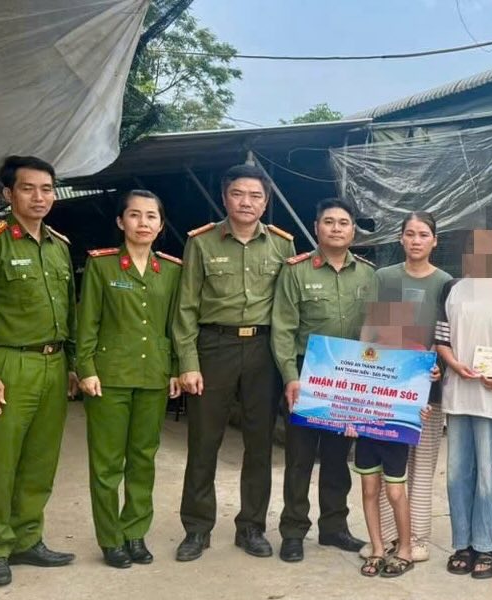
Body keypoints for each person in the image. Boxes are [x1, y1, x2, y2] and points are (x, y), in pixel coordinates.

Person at [0, 155, 79, 587]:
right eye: (29, 188)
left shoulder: (59, 246)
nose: (39, 197)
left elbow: (68, 310)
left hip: (53, 364)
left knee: (39, 460)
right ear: (8, 194)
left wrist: (71, 364)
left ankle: (27, 538)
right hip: (8, 363)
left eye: (47, 189)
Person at [171, 164, 295, 562]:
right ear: (225, 197)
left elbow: (290, 308)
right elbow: (186, 308)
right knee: (204, 441)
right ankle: (196, 528)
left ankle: (252, 527)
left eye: (255, 196)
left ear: (266, 202)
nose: (246, 202)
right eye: (238, 194)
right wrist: (187, 362)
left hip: (263, 351)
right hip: (214, 347)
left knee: (259, 444)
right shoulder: (202, 243)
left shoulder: (282, 245)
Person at [77, 190, 182, 568]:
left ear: (160, 224)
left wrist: (173, 368)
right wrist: (85, 369)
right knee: (107, 463)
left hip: (153, 375)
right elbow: (86, 321)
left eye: (151, 216)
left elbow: (174, 326)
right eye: (135, 215)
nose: (143, 223)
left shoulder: (171, 270)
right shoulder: (103, 266)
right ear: (121, 222)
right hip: (109, 377)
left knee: (143, 459)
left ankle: (135, 532)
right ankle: (110, 538)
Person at [272, 198, 377, 563]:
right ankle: (293, 531)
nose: (336, 228)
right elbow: (283, 330)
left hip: (349, 377)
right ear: (316, 227)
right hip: (307, 374)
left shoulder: (367, 274)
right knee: (300, 458)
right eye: (329, 222)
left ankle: (334, 528)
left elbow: (377, 332)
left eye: (343, 223)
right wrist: (290, 377)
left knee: (337, 457)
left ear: (353, 231)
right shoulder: (297, 271)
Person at [359, 212, 452, 563]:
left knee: (421, 466)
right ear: (400, 239)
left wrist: (439, 367)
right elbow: (371, 330)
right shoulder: (384, 278)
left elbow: (448, 335)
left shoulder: (446, 282)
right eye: (410, 234)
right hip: (383, 389)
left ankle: (416, 538)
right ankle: (382, 537)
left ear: (434, 241)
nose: (416, 240)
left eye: (423, 234)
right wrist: (365, 373)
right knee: (386, 467)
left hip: (426, 389)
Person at [436, 228, 492, 580]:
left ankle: (487, 545)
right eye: (474, 248)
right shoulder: (452, 289)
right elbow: (440, 336)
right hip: (458, 395)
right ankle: (462, 544)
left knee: (489, 476)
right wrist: (452, 362)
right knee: (458, 474)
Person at [354, 300, 434, 578]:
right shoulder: (364, 354)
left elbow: (420, 397)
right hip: (366, 431)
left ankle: (404, 550)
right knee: (368, 489)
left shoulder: (416, 353)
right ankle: (377, 548)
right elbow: (350, 391)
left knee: (396, 492)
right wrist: (348, 418)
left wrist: (422, 409)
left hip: (395, 433)